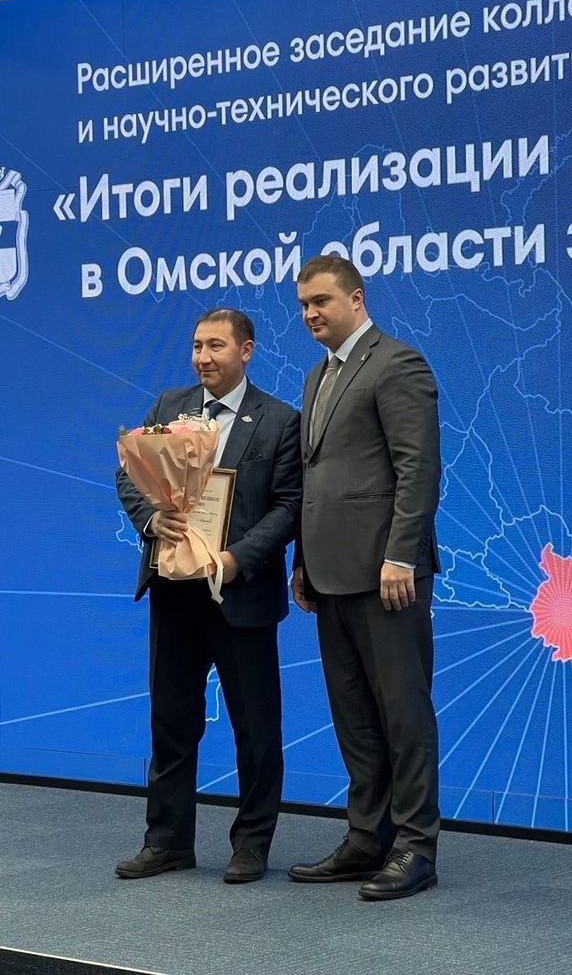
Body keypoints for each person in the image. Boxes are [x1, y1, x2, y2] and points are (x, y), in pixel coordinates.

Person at [115, 308, 301, 884]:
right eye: (197, 345)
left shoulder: (279, 420)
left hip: (240, 592)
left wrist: (238, 557)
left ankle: (251, 844)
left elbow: (290, 505)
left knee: (256, 728)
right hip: (175, 591)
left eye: (215, 346)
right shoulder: (168, 406)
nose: (203, 357)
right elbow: (127, 474)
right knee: (171, 721)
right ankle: (167, 842)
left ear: (246, 351)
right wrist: (151, 520)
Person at [289, 255, 442, 901]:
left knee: (403, 714)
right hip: (330, 575)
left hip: (387, 575)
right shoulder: (316, 375)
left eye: (321, 301)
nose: (310, 314)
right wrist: (301, 560)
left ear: (357, 298)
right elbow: (315, 479)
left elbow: (419, 469)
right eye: (303, 305)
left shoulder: (397, 363)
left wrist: (401, 554)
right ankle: (366, 838)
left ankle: (415, 846)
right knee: (353, 716)